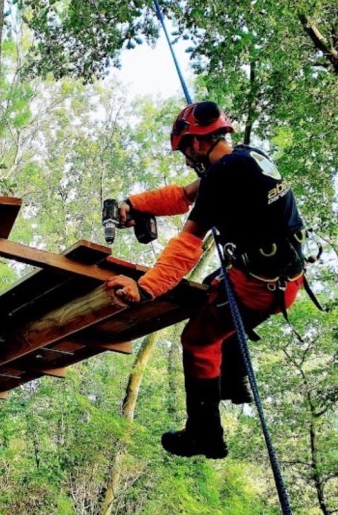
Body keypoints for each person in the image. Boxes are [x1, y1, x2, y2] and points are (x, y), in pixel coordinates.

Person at [105, 101, 307, 459]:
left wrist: (145, 288)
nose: (187, 161)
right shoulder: (245, 158)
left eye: (186, 150)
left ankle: (205, 435)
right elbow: (184, 196)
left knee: (197, 339)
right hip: (283, 278)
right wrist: (134, 204)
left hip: (258, 288)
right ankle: (234, 380)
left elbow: (187, 245)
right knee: (212, 291)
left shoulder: (222, 175)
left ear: (197, 142)